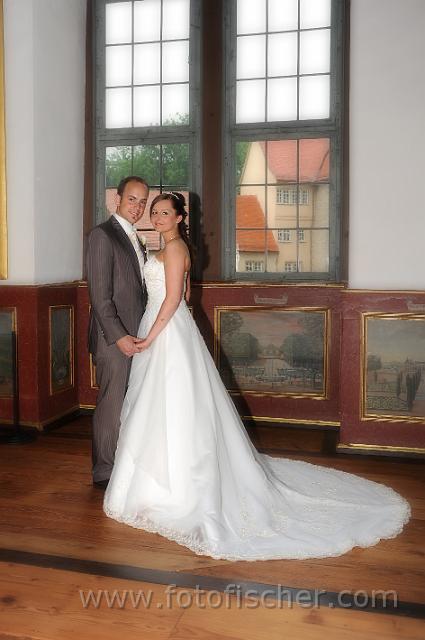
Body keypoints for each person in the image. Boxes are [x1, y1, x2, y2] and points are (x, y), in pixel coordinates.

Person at [103, 192, 411, 561]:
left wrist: (152, 336)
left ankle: (171, 488)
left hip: (163, 330)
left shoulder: (174, 249)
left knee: (172, 403)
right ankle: (156, 482)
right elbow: (185, 295)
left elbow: (172, 299)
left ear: (180, 217)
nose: (157, 217)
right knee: (165, 404)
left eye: (165, 212)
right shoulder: (172, 248)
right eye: (154, 212)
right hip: (167, 327)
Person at [86, 176, 149, 489]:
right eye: (131, 199)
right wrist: (119, 335)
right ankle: (104, 471)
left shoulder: (136, 238)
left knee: (129, 403)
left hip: (136, 335)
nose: (137, 207)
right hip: (113, 338)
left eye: (142, 202)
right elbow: (100, 296)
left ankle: (122, 463)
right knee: (111, 404)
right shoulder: (102, 235)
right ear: (117, 200)